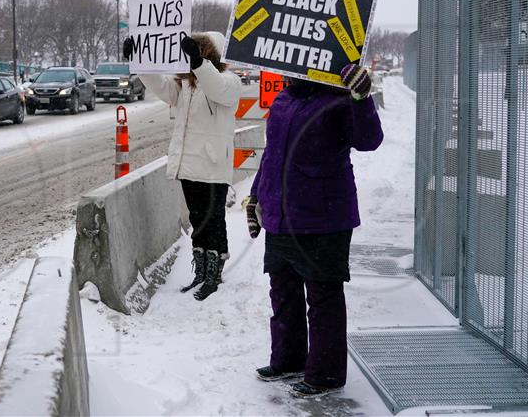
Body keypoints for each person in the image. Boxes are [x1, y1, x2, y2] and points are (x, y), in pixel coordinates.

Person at [246, 63, 383, 398]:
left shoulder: (338, 99)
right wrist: (255, 196)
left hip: (325, 216)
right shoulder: (282, 100)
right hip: (281, 214)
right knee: (283, 291)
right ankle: (288, 360)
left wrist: (361, 97)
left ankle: (325, 374)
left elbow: (369, 140)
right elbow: (271, 157)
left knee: (323, 298)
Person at [124, 32, 241, 301]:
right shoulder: (185, 86)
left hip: (212, 166)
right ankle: (200, 272)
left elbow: (218, 89)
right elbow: (160, 85)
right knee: (198, 220)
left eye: (199, 51)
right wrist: (138, 61)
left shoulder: (228, 82)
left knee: (214, 221)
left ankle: (214, 275)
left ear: (210, 55)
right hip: (188, 165)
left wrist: (199, 64)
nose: (191, 57)